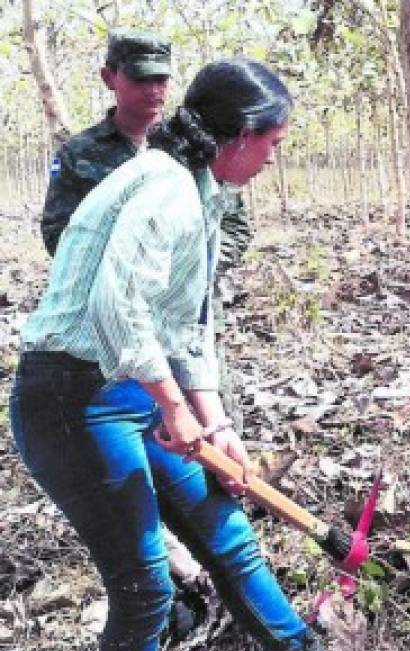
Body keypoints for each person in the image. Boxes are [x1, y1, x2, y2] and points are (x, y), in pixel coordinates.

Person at [9, 59, 339, 651]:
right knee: (145, 584)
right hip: (72, 398)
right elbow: (114, 306)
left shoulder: (202, 190)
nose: (275, 155)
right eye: (273, 142)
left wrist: (212, 419)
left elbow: (188, 326)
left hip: (128, 389)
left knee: (230, 532)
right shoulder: (161, 189)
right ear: (236, 139)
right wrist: (169, 405)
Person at [41, 29, 254, 428]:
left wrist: (184, 268)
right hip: (114, 327)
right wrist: (128, 266)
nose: (154, 90)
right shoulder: (80, 154)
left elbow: (235, 226)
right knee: (131, 433)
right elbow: (60, 235)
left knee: (211, 431)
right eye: (141, 78)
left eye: (162, 79)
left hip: (187, 323)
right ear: (109, 78)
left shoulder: (197, 147)